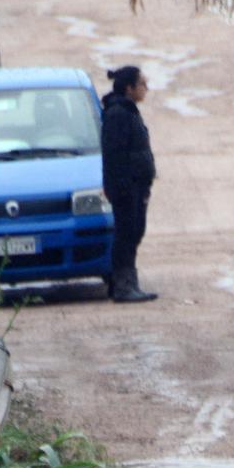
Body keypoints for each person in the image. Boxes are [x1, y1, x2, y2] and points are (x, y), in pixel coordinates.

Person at [100, 65, 158, 303]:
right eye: (142, 84)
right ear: (129, 88)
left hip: (135, 186)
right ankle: (123, 286)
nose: (146, 88)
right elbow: (115, 156)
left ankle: (127, 283)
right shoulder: (118, 114)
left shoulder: (128, 111)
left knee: (133, 232)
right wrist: (124, 187)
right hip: (126, 187)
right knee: (126, 234)